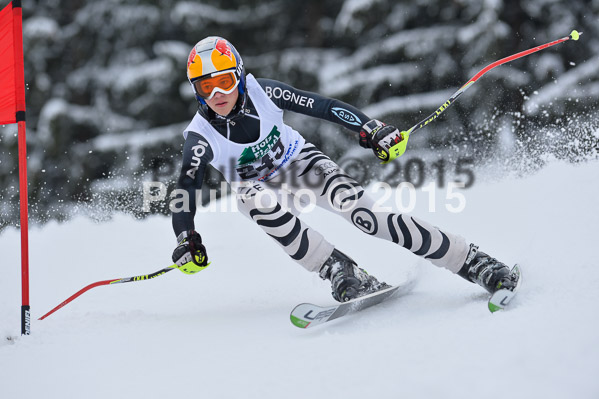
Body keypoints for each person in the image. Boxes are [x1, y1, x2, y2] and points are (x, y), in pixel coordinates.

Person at [170, 36, 517, 302]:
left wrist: (370, 128)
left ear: (240, 76)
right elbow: (186, 187)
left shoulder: (264, 93)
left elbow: (324, 106)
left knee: (368, 217)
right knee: (251, 198)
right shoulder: (199, 137)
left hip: (300, 165)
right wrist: (186, 237)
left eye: (225, 82)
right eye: (205, 86)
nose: (217, 93)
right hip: (261, 189)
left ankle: (470, 261)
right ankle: (337, 268)